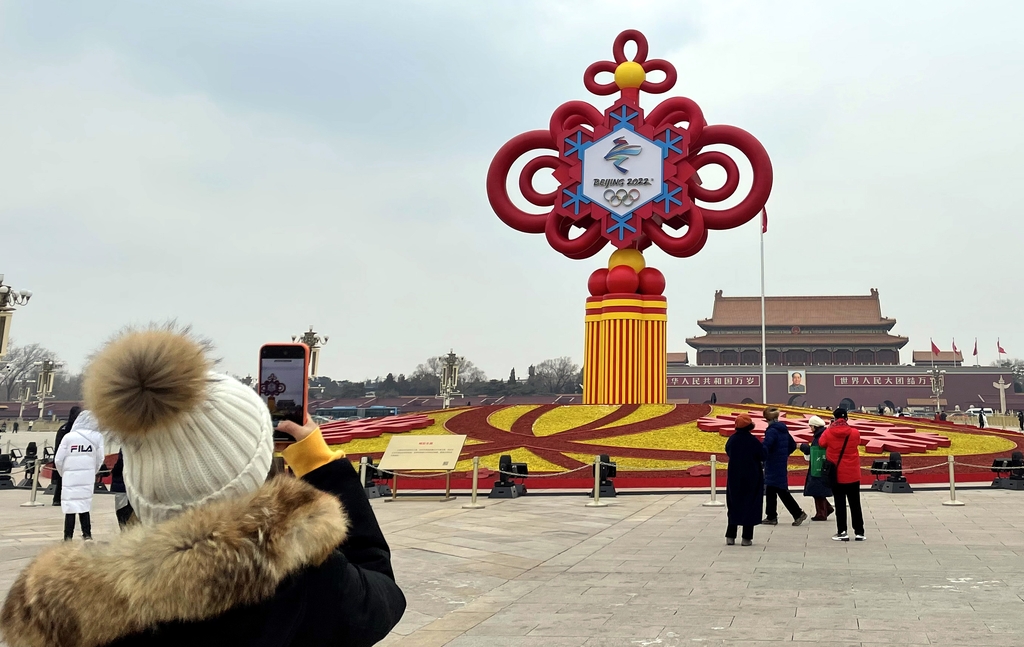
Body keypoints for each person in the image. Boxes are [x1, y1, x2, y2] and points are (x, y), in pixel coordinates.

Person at [0, 327, 406, 646]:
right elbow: (381, 593)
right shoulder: (305, 580)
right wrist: (319, 464)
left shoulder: (61, 612)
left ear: (142, 485)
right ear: (255, 473)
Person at [54, 410, 105, 541]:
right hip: (87, 476)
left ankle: (68, 537)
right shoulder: (97, 437)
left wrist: (63, 472)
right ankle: (87, 534)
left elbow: (58, 460)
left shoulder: (69, 437)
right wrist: (92, 471)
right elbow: (100, 459)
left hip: (69, 476)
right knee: (84, 505)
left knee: (70, 507)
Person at [819, 407, 864, 541]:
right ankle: (859, 532)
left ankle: (842, 532)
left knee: (840, 504)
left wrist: (829, 427)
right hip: (853, 474)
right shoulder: (854, 433)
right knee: (855, 503)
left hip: (837, 474)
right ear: (846, 418)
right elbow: (858, 443)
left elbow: (821, 444)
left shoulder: (828, 432)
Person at [762, 407, 807, 526]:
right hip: (781, 462)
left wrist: (761, 456)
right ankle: (771, 516)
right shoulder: (783, 429)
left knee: (780, 490)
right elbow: (792, 445)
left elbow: (766, 446)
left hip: (772, 463)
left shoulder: (771, 431)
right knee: (771, 489)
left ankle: (798, 513)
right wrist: (783, 454)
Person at [725, 413, 765, 546]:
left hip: (734, 475)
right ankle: (746, 538)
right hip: (752, 475)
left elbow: (728, 451)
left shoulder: (732, 439)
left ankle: (730, 536)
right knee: (750, 504)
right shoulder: (753, 441)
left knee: (734, 504)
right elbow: (763, 455)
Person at [798, 415, 834, 521]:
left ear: (815, 426)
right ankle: (827, 508)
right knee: (817, 490)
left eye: (811, 426)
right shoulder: (822, 434)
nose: (810, 428)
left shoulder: (819, 437)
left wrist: (803, 447)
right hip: (820, 467)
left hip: (818, 467)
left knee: (817, 490)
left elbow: (815, 451)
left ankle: (821, 513)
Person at [51, 406, 82, 507]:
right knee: (62, 479)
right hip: (67, 458)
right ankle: (57, 498)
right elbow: (59, 446)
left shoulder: (78, 429)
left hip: (76, 457)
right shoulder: (65, 429)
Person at [109, 450, 135, 530]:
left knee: (123, 512)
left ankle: (125, 532)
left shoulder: (127, 446)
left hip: (123, 486)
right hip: (136, 486)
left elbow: (121, 464)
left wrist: (114, 471)